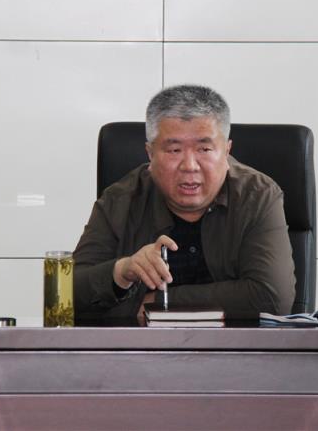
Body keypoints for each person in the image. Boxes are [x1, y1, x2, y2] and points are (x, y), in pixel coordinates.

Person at [72, 85, 295, 319]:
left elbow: (272, 299)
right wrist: (121, 272)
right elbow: (69, 293)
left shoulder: (257, 196)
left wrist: (159, 303)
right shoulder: (121, 200)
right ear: (150, 154)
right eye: (174, 150)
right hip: (142, 343)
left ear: (226, 150)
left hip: (233, 342)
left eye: (204, 149)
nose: (189, 166)